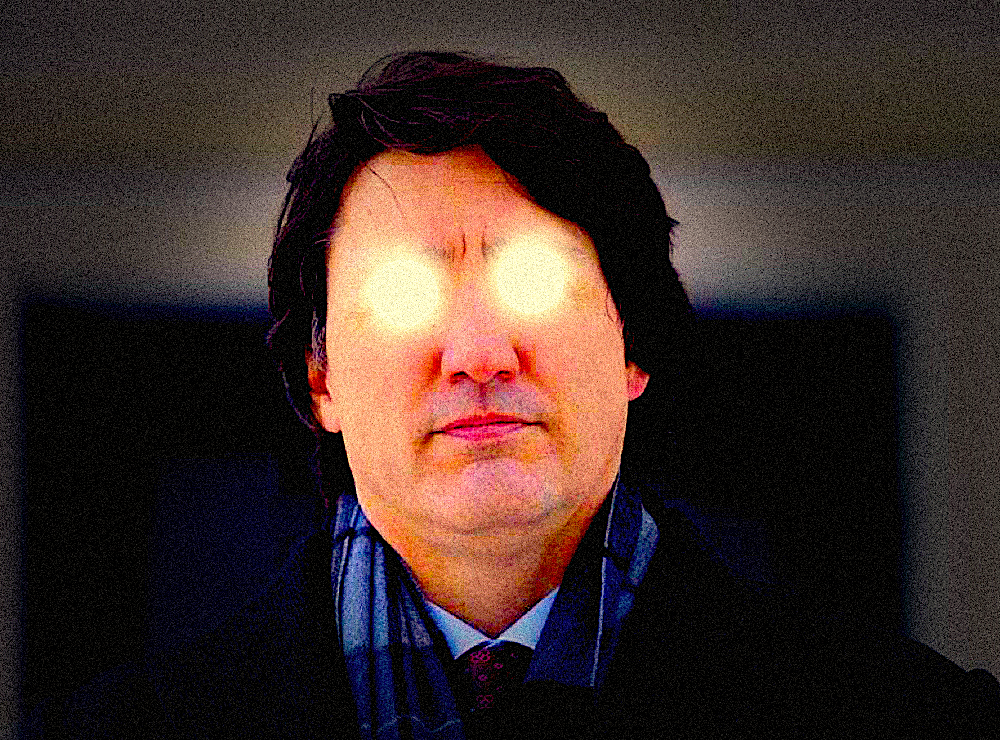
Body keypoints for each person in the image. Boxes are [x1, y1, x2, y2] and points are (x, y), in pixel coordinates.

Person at [24, 51, 999, 739]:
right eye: (402, 297)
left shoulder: (914, 719)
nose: (480, 354)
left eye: (535, 282)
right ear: (321, 379)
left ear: (631, 344)